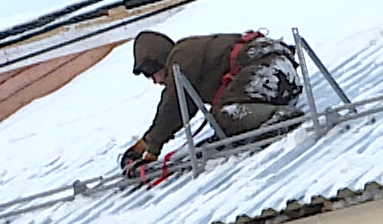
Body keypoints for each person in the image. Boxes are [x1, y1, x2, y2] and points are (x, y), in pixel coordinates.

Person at [118, 30, 303, 178]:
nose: (154, 81)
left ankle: (279, 117)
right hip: (276, 70)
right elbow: (185, 105)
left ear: (157, 63)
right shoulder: (187, 57)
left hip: (267, 68)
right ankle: (265, 114)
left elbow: (172, 107)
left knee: (225, 116)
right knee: (224, 124)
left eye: (150, 74)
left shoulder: (181, 59)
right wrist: (144, 145)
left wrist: (151, 147)